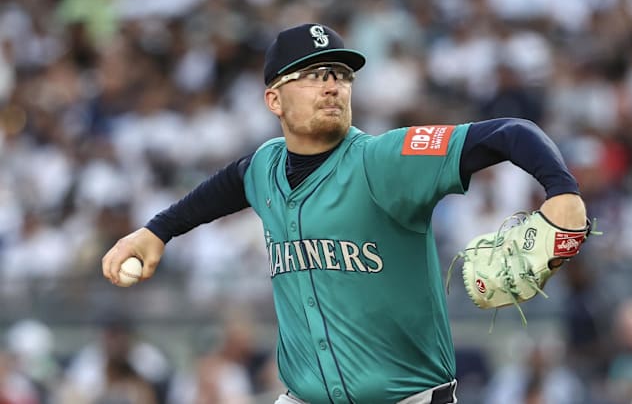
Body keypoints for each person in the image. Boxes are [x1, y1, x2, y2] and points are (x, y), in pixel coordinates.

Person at [101, 23, 588, 404]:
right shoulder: (265, 166)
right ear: (274, 98)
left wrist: (561, 190)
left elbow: (509, 131)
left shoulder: (384, 161)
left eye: (340, 74)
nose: (331, 85)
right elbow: (225, 187)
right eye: (313, 75)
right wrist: (157, 231)